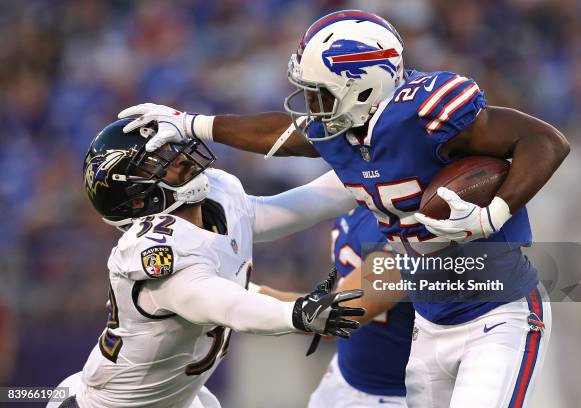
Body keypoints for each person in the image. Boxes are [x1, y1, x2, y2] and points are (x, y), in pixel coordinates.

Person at [119, 9, 570, 407]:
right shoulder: (354, 140)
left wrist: (495, 212)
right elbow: (285, 136)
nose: (312, 109)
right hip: (430, 328)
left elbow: (545, 140)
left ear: (363, 87)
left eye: (321, 95)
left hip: (497, 313)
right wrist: (193, 124)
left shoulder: (424, 114)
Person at [49, 118, 366, 408]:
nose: (179, 158)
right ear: (135, 197)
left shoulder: (218, 196)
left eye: (170, 149)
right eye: (155, 162)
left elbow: (303, 204)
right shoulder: (156, 250)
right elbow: (227, 306)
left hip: (181, 397)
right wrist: (294, 313)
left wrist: (380, 170)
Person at [253, 207, 415, 407]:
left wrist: (243, 292)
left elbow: (333, 316)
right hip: (344, 374)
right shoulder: (358, 195)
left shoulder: (413, 223)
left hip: (393, 395)